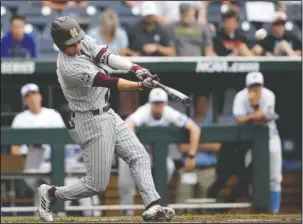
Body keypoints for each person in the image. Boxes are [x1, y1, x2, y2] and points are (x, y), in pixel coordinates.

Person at [37, 16, 175, 222]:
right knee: (96, 184)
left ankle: (153, 206)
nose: (77, 46)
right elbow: (106, 80)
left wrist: (136, 69)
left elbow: (106, 56)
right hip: (90, 121)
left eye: (78, 41)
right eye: (71, 45)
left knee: (139, 156)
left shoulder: (80, 40)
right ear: (60, 45)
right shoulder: (68, 68)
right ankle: (51, 194)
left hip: (108, 113)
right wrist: (138, 85)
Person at [118, 88, 201, 216]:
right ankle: (126, 212)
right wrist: (133, 149)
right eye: (155, 103)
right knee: (125, 181)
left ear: (165, 104)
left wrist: (191, 156)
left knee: (169, 166)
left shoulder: (169, 112)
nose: (158, 106)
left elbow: (194, 128)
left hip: (154, 156)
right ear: (150, 103)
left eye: (161, 103)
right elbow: (128, 124)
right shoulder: (144, 111)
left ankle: (155, 206)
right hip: (134, 153)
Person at [232, 71, 282, 213]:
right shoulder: (240, 96)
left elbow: (264, 119)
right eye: (252, 86)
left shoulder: (269, 95)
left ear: (262, 86)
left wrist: (254, 106)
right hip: (249, 141)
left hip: (271, 138)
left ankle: (274, 212)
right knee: (252, 175)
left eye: (258, 86)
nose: (255, 89)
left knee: (275, 177)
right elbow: (238, 119)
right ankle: (257, 211)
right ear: (247, 87)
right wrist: (256, 114)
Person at [10, 83, 65, 210]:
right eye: (28, 96)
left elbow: (63, 141)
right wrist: (27, 148)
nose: (32, 98)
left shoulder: (52, 114)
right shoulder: (20, 119)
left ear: (40, 96)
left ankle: (60, 213)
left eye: (34, 94)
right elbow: (14, 150)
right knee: (42, 186)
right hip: (32, 165)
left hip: (54, 163)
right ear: (25, 101)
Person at [176, 94, 221, 205]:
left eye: (205, 103)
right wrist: (205, 146)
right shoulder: (187, 123)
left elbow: (217, 146)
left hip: (208, 169)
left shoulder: (212, 125)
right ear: (194, 105)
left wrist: (193, 146)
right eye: (200, 103)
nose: (203, 106)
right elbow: (182, 148)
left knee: (207, 203)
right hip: (188, 168)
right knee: (184, 200)